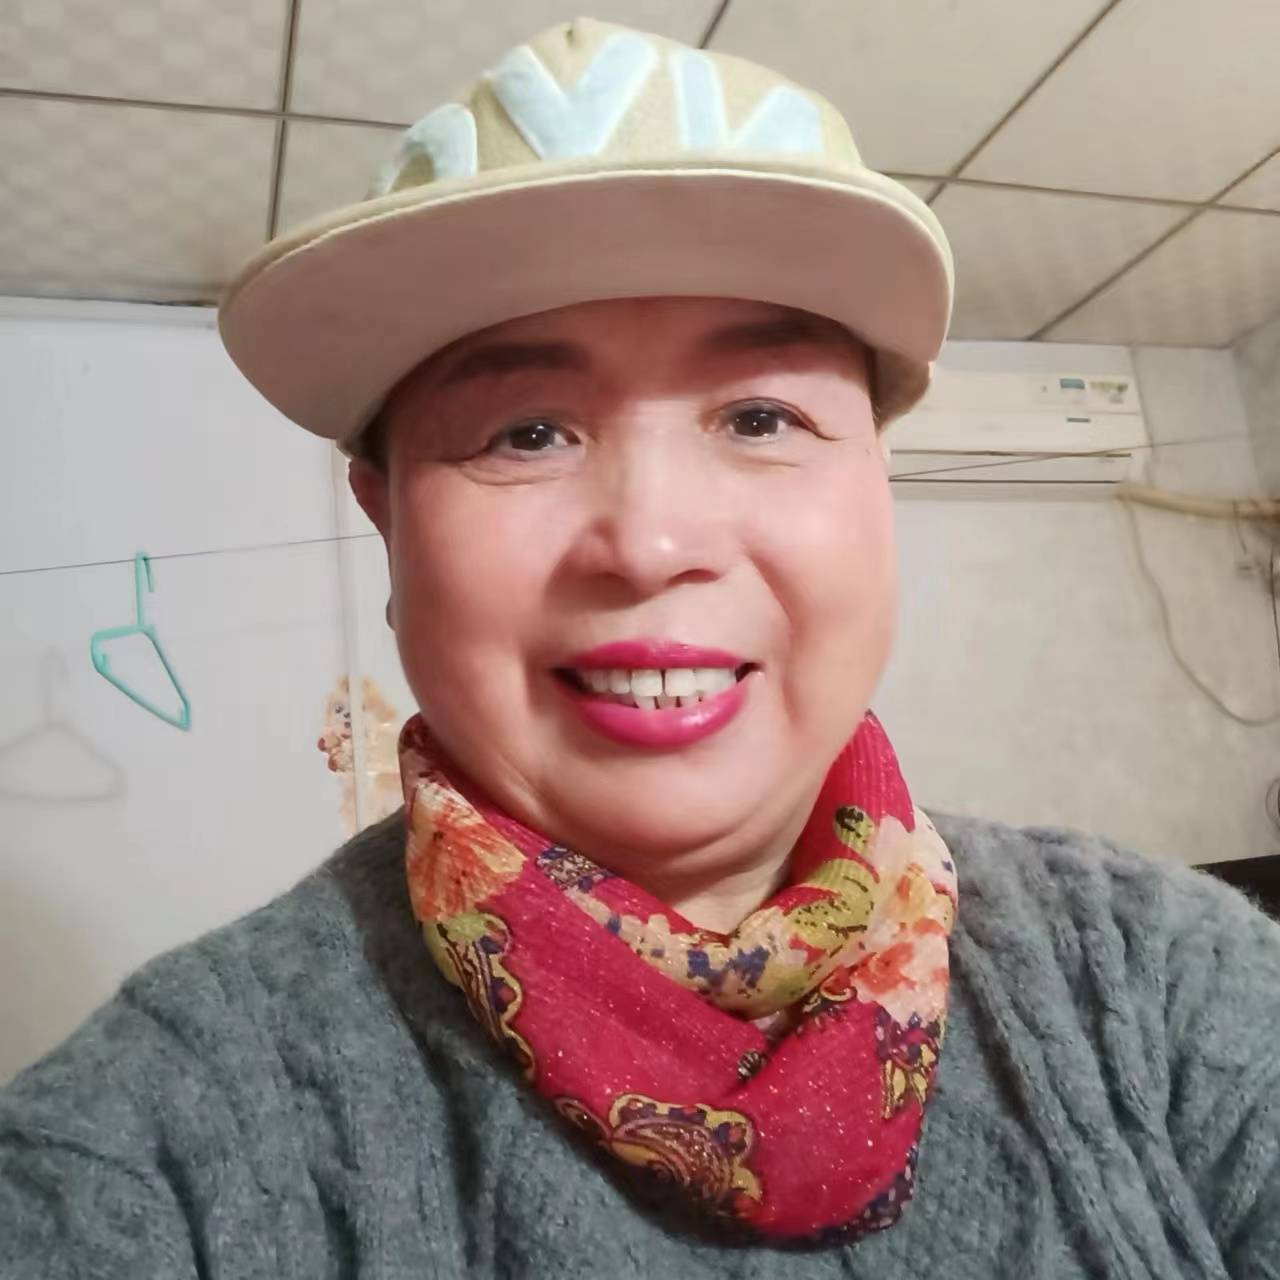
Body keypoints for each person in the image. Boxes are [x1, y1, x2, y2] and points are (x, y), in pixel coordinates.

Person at [3, 17, 1278, 1278]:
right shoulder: (156, 1138)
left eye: (760, 416)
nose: (653, 540)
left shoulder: (1163, 979)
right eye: (525, 432)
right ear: (387, 525)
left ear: (877, 490)